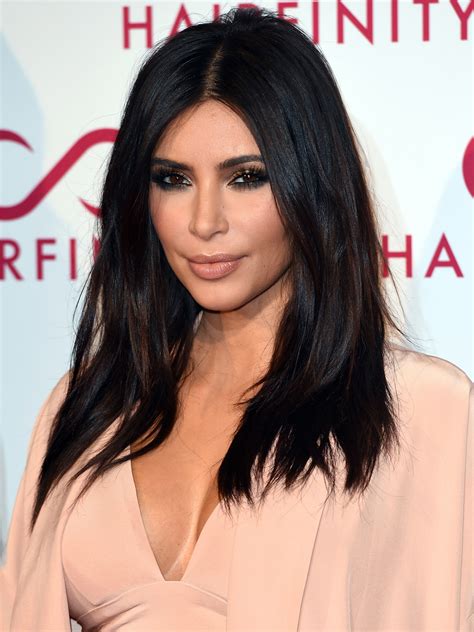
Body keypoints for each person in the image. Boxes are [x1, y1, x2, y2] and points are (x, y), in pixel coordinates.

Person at [1, 6, 472, 631]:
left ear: (313, 184)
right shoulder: (87, 405)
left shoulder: (421, 409)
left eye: (246, 178)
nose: (204, 223)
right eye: (173, 179)